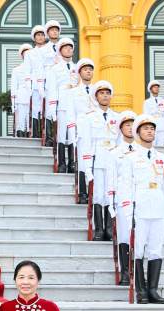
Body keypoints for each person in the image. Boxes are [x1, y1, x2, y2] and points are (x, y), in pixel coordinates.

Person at [119, 114, 164, 304]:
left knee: (156, 250)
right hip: (139, 210)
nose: (150, 131)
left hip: (158, 209)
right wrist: (127, 212)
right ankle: (140, 291)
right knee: (138, 251)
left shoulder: (163, 158)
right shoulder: (130, 158)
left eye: (152, 129)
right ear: (138, 132)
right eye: (146, 128)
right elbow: (125, 186)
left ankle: (153, 290)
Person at [76, 80, 120, 241]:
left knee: (110, 195)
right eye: (102, 93)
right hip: (97, 161)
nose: (105, 96)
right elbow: (86, 143)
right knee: (98, 196)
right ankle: (99, 229)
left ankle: (109, 229)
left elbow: (120, 143)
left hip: (113, 162)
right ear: (96, 96)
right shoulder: (89, 117)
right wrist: (87, 167)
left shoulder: (118, 117)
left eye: (107, 93)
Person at [105, 110, 137, 285]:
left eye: (133, 125)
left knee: (139, 238)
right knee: (124, 236)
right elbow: (111, 179)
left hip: (140, 200)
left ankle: (138, 272)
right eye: (127, 125)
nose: (130, 128)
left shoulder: (143, 152)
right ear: (121, 129)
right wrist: (110, 202)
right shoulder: (114, 153)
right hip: (123, 201)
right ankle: (125, 272)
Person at [45, 37, 77, 174]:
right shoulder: (55, 69)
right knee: (62, 135)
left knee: (73, 136)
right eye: (65, 48)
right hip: (62, 105)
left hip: (75, 107)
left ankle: (72, 163)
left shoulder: (78, 68)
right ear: (60, 50)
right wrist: (52, 109)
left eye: (70, 48)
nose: (68, 50)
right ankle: (62, 163)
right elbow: (51, 90)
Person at [66, 58, 96, 204]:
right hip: (82, 131)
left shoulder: (99, 91)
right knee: (83, 163)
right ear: (79, 72)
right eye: (85, 69)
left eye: (90, 69)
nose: (88, 72)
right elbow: (71, 114)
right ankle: (83, 192)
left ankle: (95, 192)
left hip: (96, 131)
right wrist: (73, 136)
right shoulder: (73, 92)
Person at [42, 20, 62, 147]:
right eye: (52, 30)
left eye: (56, 30)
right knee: (50, 109)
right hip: (49, 81)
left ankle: (61, 136)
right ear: (48, 33)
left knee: (63, 109)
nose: (54, 32)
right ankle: (50, 137)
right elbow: (40, 67)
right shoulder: (43, 49)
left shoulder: (64, 46)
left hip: (62, 82)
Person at [25, 25, 47, 138]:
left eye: (42, 35)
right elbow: (27, 70)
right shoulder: (29, 53)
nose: (40, 37)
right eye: (38, 35)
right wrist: (28, 85)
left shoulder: (49, 51)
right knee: (35, 109)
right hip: (35, 83)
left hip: (48, 83)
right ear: (34, 38)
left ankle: (47, 134)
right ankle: (35, 134)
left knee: (47, 109)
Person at [11, 44, 32, 137]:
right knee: (21, 119)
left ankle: (30, 134)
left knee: (30, 120)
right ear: (22, 55)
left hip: (33, 97)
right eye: (25, 54)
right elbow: (14, 86)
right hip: (21, 97)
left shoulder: (35, 69)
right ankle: (20, 135)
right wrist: (13, 103)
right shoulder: (16, 70)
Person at [143, 80, 164, 147]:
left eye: (157, 87)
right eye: (154, 87)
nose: (156, 88)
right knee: (152, 146)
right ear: (150, 89)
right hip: (152, 128)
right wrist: (147, 129)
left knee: (161, 146)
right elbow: (146, 116)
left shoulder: (163, 101)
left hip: (161, 126)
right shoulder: (147, 102)